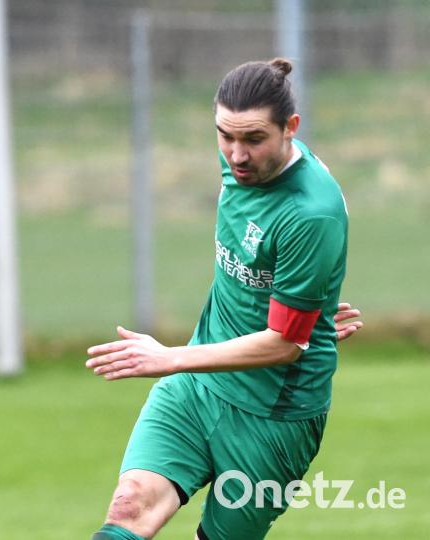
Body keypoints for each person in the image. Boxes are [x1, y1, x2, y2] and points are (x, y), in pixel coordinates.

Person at [85, 59, 361, 540]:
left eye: (254, 139)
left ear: (291, 128)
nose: (237, 155)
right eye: (225, 136)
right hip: (198, 386)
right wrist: (306, 314)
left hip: (273, 417)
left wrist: (170, 358)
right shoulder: (240, 162)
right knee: (130, 506)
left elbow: (285, 344)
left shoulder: (309, 214)